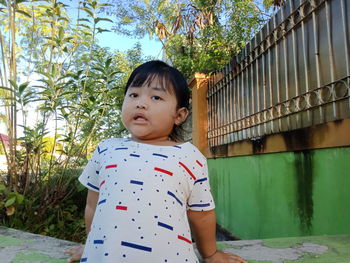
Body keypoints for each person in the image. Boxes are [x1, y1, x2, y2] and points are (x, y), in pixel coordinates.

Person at [65, 60, 246, 263]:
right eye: (133, 95)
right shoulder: (106, 148)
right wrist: (92, 244)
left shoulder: (190, 156)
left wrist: (210, 254)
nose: (140, 103)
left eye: (156, 97)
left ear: (179, 115)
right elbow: (93, 206)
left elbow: (201, 214)